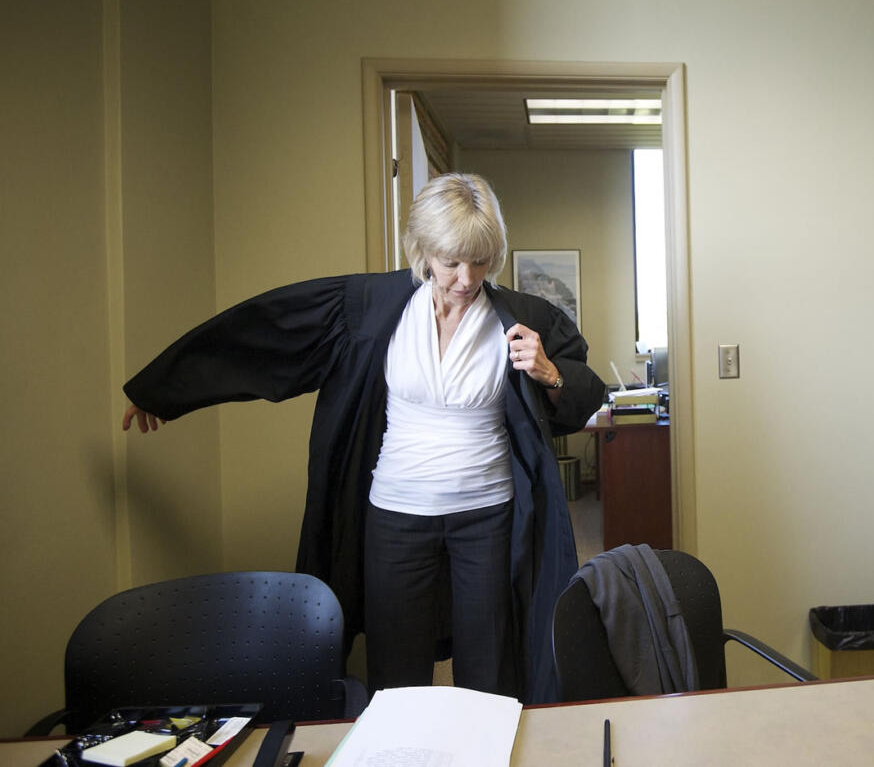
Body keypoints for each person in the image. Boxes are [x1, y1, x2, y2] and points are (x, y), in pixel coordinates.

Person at [122, 173, 605, 702]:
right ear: (421, 248)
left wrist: (549, 373)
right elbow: (262, 337)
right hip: (394, 517)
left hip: (488, 516)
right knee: (395, 675)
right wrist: (165, 390)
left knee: (489, 673)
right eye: (451, 261)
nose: (466, 278)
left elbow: (586, 393)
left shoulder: (525, 318)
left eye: (481, 261)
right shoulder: (369, 307)